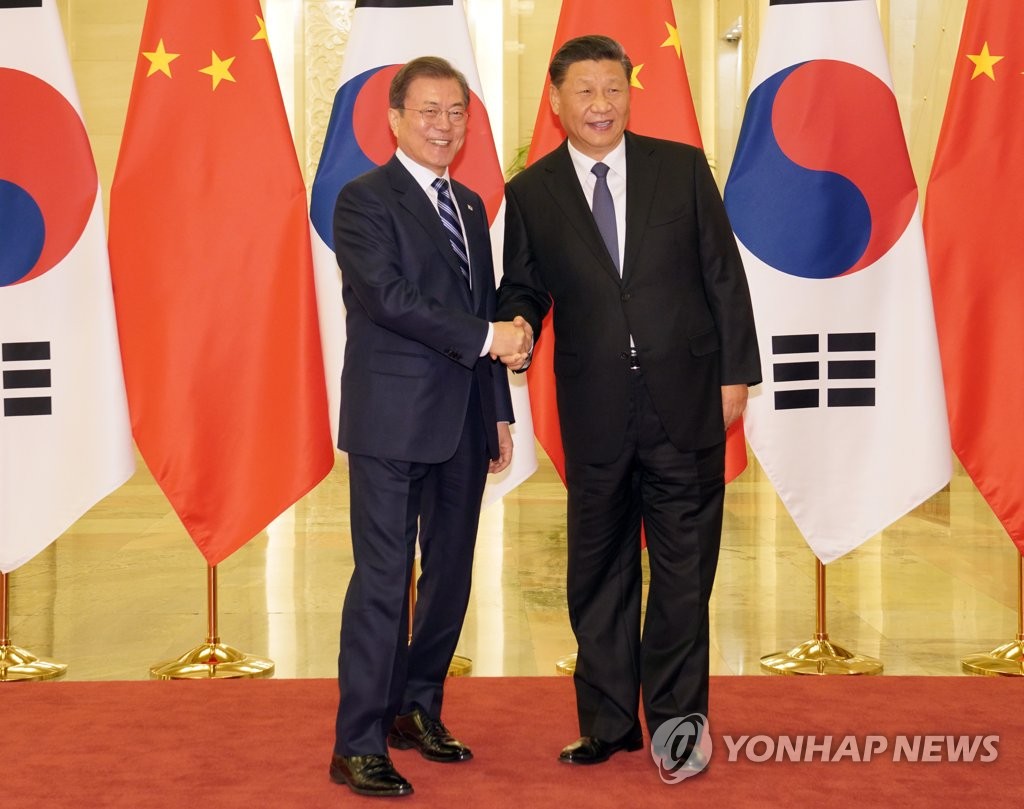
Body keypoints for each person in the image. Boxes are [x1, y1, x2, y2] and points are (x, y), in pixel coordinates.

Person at [496, 35, 761, 771]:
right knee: (599, 570)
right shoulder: (532, 192)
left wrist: (735, 374)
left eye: (613, 88)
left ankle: (678, 726)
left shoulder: (681, 168)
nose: (601, 104)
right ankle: (608, 722)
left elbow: (724, 275)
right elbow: (523, 287)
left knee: (683, 575)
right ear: (556, 102)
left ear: (629, 95)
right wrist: (516, 323)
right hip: (596, 408)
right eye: (584, 91)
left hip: (687, 401)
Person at [329, 56, 530, 799]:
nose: (444, 125)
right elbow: (388, 298)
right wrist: (489, 337)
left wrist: (498, 411)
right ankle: (357, 741)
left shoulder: (470, 204)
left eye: (456, 112)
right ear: (395, 118)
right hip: (390, 422)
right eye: (428, 111)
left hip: (464, 422)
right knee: (383, 581)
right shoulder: (362, 200)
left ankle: (417, 708)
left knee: (450, 578)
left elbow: (482, 303)